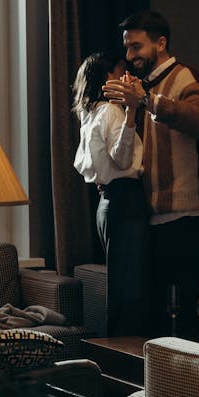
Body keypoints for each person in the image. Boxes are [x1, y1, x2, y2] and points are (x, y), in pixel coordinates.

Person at [102, 10, 199, 341]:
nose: (130, 56)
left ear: (161, 43)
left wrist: (148, 101)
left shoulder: (187, 79)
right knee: (155, 314)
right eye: (127, 49)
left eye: (136, 47)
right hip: (154, 215)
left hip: (189, 214)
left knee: (181, 314)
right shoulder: (141, 89)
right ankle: (160, 389)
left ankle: (191, 388)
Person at [72, 52, 149, 335]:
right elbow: (122, 158)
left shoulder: (88, 113)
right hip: (126, 200)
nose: (126, 79)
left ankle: (116, 354)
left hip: (105, 203)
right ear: (107, 79)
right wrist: (132, 113)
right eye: (120, 73)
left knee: (119, 283)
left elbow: (83, 164)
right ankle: (128, 354)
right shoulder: (112, 111)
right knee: (131, 287)